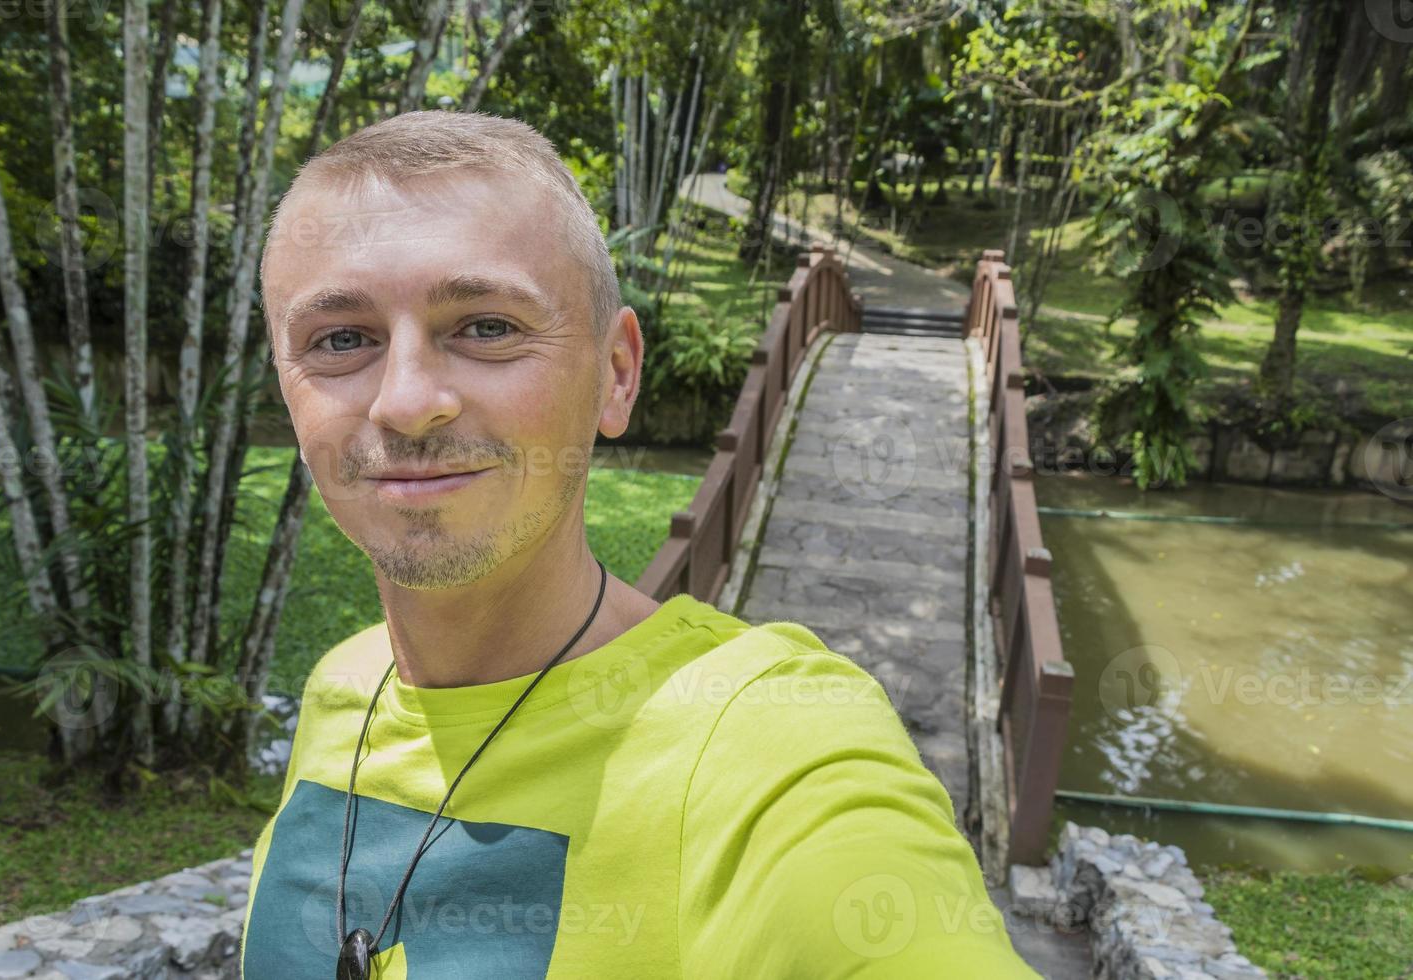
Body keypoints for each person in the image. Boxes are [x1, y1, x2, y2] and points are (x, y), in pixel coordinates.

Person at [243, 110, 1035, 979]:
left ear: (616, 374)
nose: (405, 401)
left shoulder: (770, 748)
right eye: (342, 340)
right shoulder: (344, 686)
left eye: (486, 326)